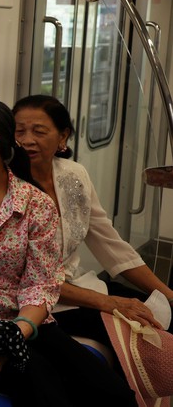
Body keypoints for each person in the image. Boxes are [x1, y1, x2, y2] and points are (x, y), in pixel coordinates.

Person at [0, 98, 137, 407]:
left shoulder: (36, 205)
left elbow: (41, 284)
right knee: (45, 385)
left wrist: (17, 331)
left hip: (25, 321)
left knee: (112, 394)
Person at [12, 95, 173, 337]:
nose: (26, 141)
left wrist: (168, 294)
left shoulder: (74, 175)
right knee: (145, 334)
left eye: (39, 131)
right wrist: (109, 303)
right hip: (35, 303)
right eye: (19, 131)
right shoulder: (8, 186)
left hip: (79, 285)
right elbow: (27, 278)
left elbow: (109, 244)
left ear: (62, 136)